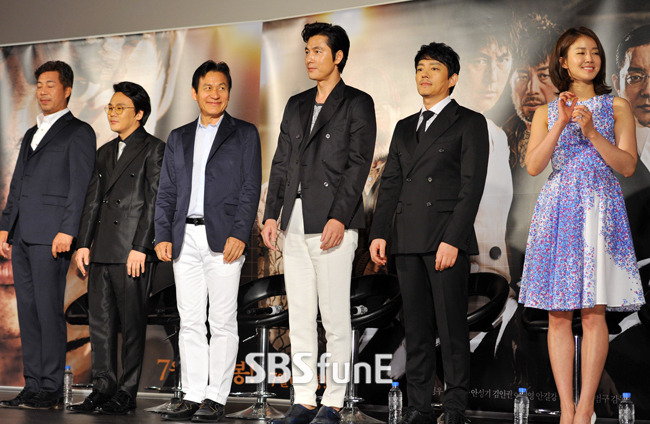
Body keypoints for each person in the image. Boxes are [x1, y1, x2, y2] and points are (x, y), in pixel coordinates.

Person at [519, 27, 645, 424]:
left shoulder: (617, 106)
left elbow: (627, 166)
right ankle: (567, 410)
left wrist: (591, 131)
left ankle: (586, 407)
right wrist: (560, 121)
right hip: (558, 210)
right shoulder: (545, 111)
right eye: (580, 52)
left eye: (594, 52)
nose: (589, 59)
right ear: (563, 61)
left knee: (593, 314)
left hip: (600, 210)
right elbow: (534, 166)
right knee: (558, 314)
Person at [261, 22, 376, 424]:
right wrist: (271, 214)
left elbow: (358, 166)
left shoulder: (357, 103)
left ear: (338, 56)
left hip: (332, 223)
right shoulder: (295, 104)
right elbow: (280, 163)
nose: (310, 58)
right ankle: (305, 399)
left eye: (318, 51)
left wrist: (339, 217)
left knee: (335, 318)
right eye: (307, 51)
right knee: (300, 317)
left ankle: (335, 401)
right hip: (293, 221)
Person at [369, 42, 489, 424]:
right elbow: (390, 183)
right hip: (406, 239)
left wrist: (453, 239)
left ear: (452, 79)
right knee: (417, 330)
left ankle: (454, 409)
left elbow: (472, 187)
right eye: (420, 67)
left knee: (452, 330)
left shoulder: (469, 122)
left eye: (434, 68)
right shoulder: (405, 126)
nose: (424, 74)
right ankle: (419, 407)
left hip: (444, 239)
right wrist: (379, 233)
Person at [154, 60, 262, 422]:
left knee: (222, 320)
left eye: (222, 87)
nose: (215, 94)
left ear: (229, 92)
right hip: (184, 237)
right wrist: (162, 234)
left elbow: (250, 188)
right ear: (194, 92)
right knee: (189, 321)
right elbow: (166, 191)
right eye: (207, 87)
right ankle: (193, 393)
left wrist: (239, 233)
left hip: (224, 239)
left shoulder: (244, 133)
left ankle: (216, 396)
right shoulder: (179, 137)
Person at [0, 60, 96, 409]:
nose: (42, 91)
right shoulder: (31, 133)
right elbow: (18, 184)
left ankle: (52, 387)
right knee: (27, 312)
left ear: (67, 89)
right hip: (23, 235)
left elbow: (80, 187)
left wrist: (68, 230)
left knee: (47, 311)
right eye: (39, 84)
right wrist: (5, 226)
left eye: (50, 84)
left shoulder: (79, 132)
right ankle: (33, 384)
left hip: (52, 237)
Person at [68, 82, 165, 415]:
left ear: (139, 114)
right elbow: (92, 201)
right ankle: (102, 387)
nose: (112, 113)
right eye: (110, 107)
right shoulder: (105, 151)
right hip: (102, 250)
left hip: (131, 252)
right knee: (101, 324)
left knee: (133, 324)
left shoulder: (154, 149)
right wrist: (84, 244)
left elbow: (154, 202)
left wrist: (141, 246)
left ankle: (127, 391)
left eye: (119, 108)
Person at [448, 17, 513, 282]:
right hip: (459, 277)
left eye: (503, 59)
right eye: (480, 61)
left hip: (497, 281)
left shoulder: (497, 135)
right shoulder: (443, 129)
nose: (493, 77)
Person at [504, 13, 562, 284]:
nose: (532, 88)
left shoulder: (582, 136)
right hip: (507, 272)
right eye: (522, 76)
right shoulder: (496, 140)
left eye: (544, 75)